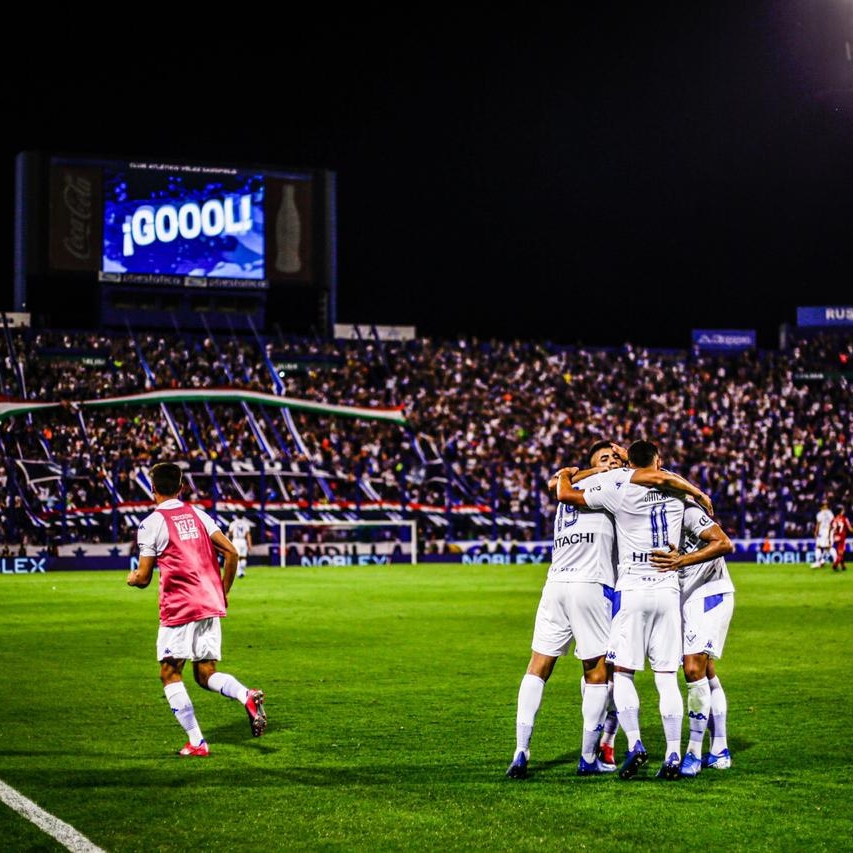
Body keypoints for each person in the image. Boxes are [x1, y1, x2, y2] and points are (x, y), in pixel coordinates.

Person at [553, 439, 732, 781]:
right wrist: (697, 491)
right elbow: (664, 478)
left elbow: (567, 495)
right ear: (658, 460)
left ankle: (634, 742)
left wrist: (567, 473)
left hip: (637, 589)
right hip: (669, 590)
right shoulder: (677, 492)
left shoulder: (617, 487)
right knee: (668, 677)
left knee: (622, 673)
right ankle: (674, 753)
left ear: (628, 463)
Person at [126, 462, 267, 757]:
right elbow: (232, 552)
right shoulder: (198, 514)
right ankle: (246, 694)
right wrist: (223, 593)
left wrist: (132, 578)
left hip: (180, 607)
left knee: (169, 673)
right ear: (181, 488)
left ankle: (197, 742)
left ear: (152, 489)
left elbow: (144, 577)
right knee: (204, 673)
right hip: (209, 603)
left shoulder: (151, 523)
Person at [506, 440, 624, 781]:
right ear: (593, 464)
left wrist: (574, 472)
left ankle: (521, 751)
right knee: (595, 671)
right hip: (591, 585)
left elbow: (554, 483)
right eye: (605, 457)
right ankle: (587, 757)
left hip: (556, 585)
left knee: (538, 666)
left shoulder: (567, 484)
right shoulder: (609, 484)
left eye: (615, 457)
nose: (612, 461)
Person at [649, 498, 735, 776]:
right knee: (706, 672)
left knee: (693, 669)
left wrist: (681, 561)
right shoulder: (652, 516)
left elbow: (724, 543)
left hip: (709, 592)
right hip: (683, 597)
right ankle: (719, 749)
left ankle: (694, 754)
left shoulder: (687, 511)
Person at [228, 510, 254, 579]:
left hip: (235, 540)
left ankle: (239, 572)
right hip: (243, 540)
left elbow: (229, 533)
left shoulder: (233, 523)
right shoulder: (246, 524)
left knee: (237, 557)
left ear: (237, 516)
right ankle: (242, 571)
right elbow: (248, 535)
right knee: (243, 557)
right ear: (243, 516)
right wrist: (250, 544)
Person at [810, 499, 834, 568]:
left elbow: (818, 524)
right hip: (828, 531)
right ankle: (822, 560)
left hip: (824, 531)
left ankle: (818, 562)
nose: (825, 506)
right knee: (826, 547)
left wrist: (816, 532)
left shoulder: (820, 514)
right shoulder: (830, 513)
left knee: (820, 547)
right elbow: (832, 523)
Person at [830, 504, 852, 572]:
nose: (844, 511)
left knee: (839, 552)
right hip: (841, 538)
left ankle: (843, 566)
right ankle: (835, 565)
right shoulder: (844, 519)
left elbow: (831, 528)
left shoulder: (834, 519)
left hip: (835, 537)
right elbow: (849, 528)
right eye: (843, 510)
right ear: (841, 511)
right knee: (840, 553)